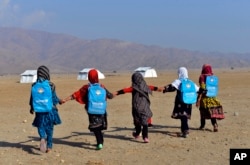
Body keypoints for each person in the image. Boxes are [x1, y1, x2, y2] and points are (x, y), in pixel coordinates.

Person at [62, 69, 113, 150]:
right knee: (99, 127)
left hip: (92, 110)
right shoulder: (102, 86)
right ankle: (100, 141)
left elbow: (75, 95)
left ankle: (99, 142)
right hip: (102, 110)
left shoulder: (87, 87)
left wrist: (65, 100)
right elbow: (110, 96)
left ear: (89, 77)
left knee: (96, 127)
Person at [113, 72, 162, 143]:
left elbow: (125, 90)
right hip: (145, 108)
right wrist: (159, 89)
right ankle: (145, 137)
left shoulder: (133, 88)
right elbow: (153, 88)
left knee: (137, 122)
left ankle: (137, 134)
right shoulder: (146, 87)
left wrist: (116, 93)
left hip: (137, 108)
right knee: (145, 123)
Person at [29, 65, 62, 153]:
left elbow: (32, 98)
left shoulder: (34, 85)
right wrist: (60, 101)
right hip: (50, 111)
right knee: (50, 128)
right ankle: (49, 147)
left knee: (40, 125)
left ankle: (42, 137)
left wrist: (31, 108)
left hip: (39, 110)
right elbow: (54, 98)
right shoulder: (51, 85)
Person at [161, 67, 199, 138]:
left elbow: (172, 88)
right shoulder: (191, 82)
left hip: (180, 101)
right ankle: (184, 130)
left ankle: (185, 130)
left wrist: (164, 89)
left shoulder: (178, 81)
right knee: (184, 116)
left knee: (183, 116)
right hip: (188, 102)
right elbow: (199, 90)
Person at [196, 64, 223, 132]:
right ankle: (215, 125)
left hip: (205, 98)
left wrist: (198, 98)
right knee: (212, 113)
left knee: (202, 112)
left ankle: (202, 126)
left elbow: (202, 88)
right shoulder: (213, 77)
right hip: (213, 97)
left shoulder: (202, 77)